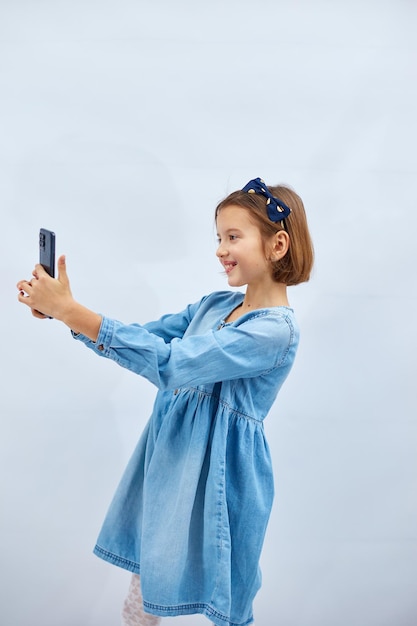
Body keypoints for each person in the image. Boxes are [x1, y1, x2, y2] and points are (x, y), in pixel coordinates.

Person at [17, 177, 314, 626]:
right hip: (171, 459)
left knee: (227, 593)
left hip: (223, 475)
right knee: (146, 575)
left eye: (233, 237)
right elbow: (144, 339)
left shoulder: (275, 331)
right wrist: (67, 313)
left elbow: (172, 363)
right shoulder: (214, 304)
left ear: (278, 245)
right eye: (219, 237)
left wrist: (72, 312)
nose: (219, 248)